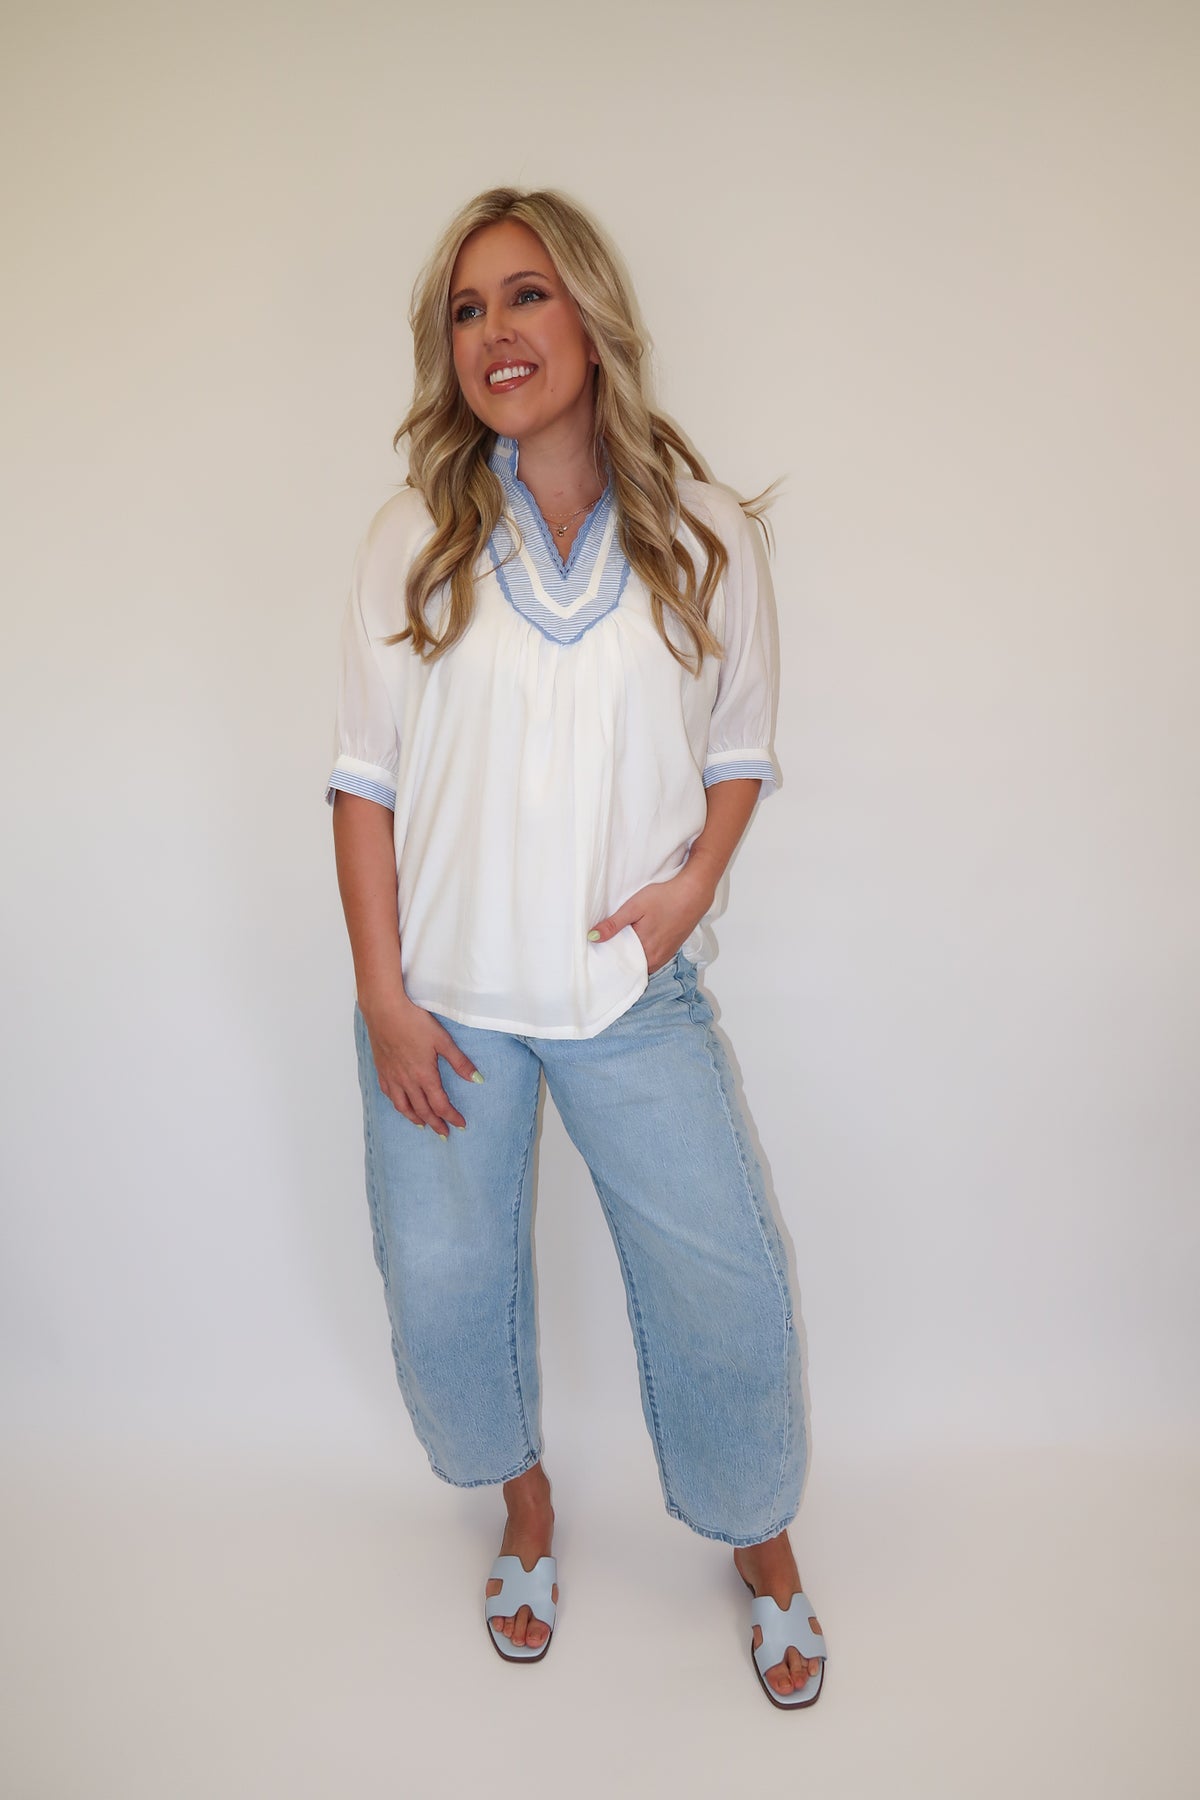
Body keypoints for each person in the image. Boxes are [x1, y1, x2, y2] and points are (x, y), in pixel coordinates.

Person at [326, 187, 826, 1710]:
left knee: (724, 1278)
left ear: (592, 320)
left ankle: (760, 1539)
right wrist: (383, 997)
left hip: (629, 992)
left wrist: (689, 890)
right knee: (445, 1286)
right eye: (467, 310)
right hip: (444, 1006)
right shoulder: (415, 537)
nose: (496, 331)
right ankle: (525, 1507)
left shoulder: (705, 531)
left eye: (525, 295)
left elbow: (738, 750)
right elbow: (362, 784)